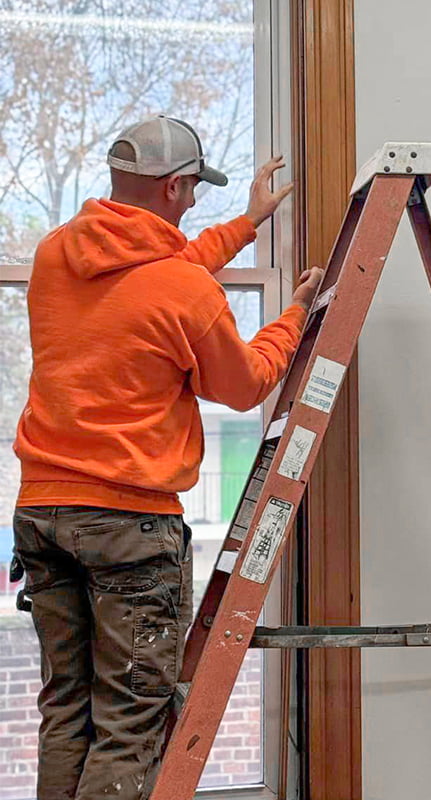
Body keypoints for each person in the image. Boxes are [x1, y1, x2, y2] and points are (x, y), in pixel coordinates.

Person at [11, 115, 323, 800]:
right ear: (178, 186)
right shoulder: (184, 293)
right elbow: (242, 385)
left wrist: (245, 225)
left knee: (67, 707)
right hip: (126, 523)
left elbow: (156, 272)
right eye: (192, 192)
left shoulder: (57, 254)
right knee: (128, 721)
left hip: (41, 511)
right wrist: (294, 316)